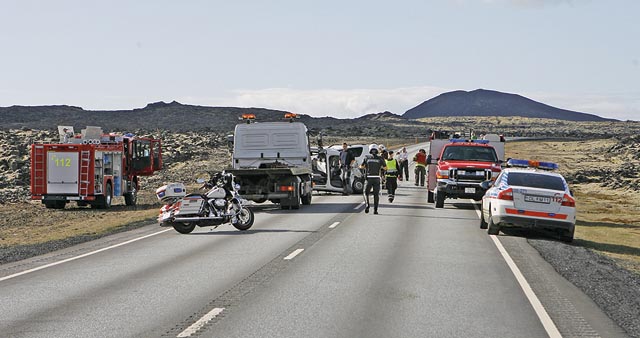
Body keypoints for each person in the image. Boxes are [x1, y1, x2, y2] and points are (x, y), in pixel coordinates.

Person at [360, 144, 386, 214]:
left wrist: (364, 167)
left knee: (366, 193)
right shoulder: (380, 158)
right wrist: (380, 167)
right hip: (377, 178)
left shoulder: (367, 157)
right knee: (376, 195)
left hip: (368, 178)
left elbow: (362, 166)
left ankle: (367, 205)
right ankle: (375, 210)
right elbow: (385, 168)